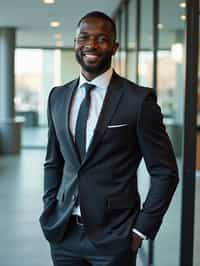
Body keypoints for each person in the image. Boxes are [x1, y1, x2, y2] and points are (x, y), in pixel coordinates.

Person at [39, 11, 179, 266]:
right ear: (75, 44)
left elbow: (165, 172)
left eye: (102, 39)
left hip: (116, 237)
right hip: (63, 233)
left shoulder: (138, 101)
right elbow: (53, 162)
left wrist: (141, 229)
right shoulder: (57, 97)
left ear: (114, 47)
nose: (91, 45)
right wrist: (50, 206)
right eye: (84, 37)